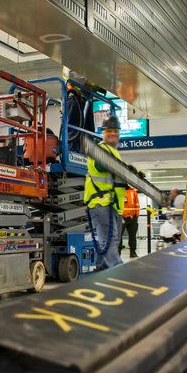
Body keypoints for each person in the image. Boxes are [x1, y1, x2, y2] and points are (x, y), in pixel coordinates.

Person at [84, 115, 126, 271]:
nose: (112, 134)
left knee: (108, 241)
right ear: (103, 132)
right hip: (101, 201)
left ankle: (102, 270)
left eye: (115, 131)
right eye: (109, 131)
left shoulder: (114, 152)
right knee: (110, 239)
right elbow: (100, 167)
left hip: (112, 203)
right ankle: (116, 269)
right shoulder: (100, 149)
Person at [119, 187, 140, 258]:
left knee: (133, 236)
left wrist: (136, 215)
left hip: (132, 217)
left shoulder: (133, 191)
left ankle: (133, 252)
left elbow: (137, 203)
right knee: (118, 236)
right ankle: (118, 254)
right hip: (121, 217)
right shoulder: (119, 190)